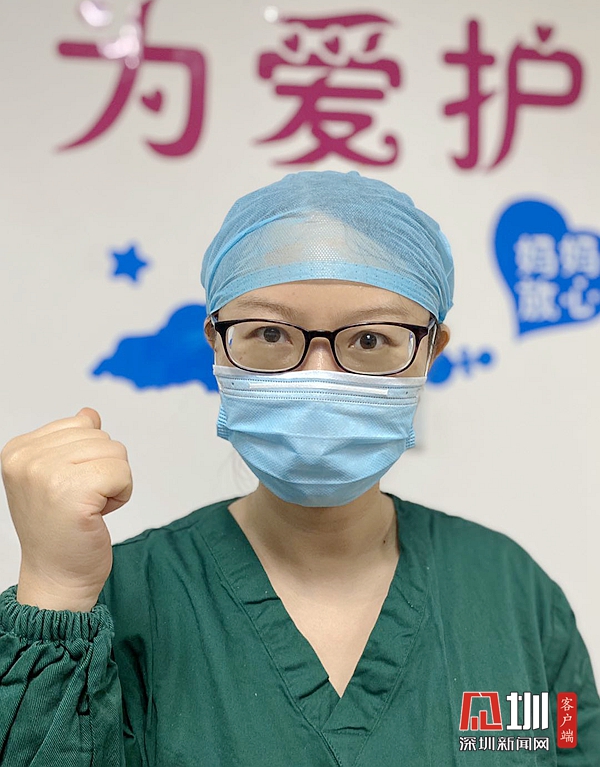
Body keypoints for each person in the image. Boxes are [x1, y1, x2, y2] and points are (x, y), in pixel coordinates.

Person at [0, 170, 598, 766]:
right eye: (269, 333)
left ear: (429, 352)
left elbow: (572, 745)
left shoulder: (516, 598)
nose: (318, 379)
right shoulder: (114, 603)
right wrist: (53, 593)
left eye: (370, 340)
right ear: (217, 344)